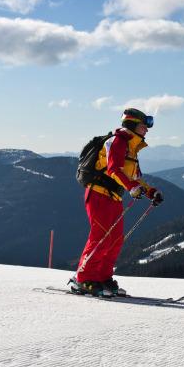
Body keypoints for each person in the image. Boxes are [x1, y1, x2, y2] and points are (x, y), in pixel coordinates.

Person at [69, 108, 163, 297]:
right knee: (101, 236)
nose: (147, 130)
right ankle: (84, 279)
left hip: (114, 197)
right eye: (144, 125)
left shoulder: (132, 147)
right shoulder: (118, 141)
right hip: (98, 194)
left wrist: (150, 191)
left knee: (115, 240)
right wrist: (131, 188)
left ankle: (103, 278)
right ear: (132, 125)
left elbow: (136, 177)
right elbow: (113, 169)